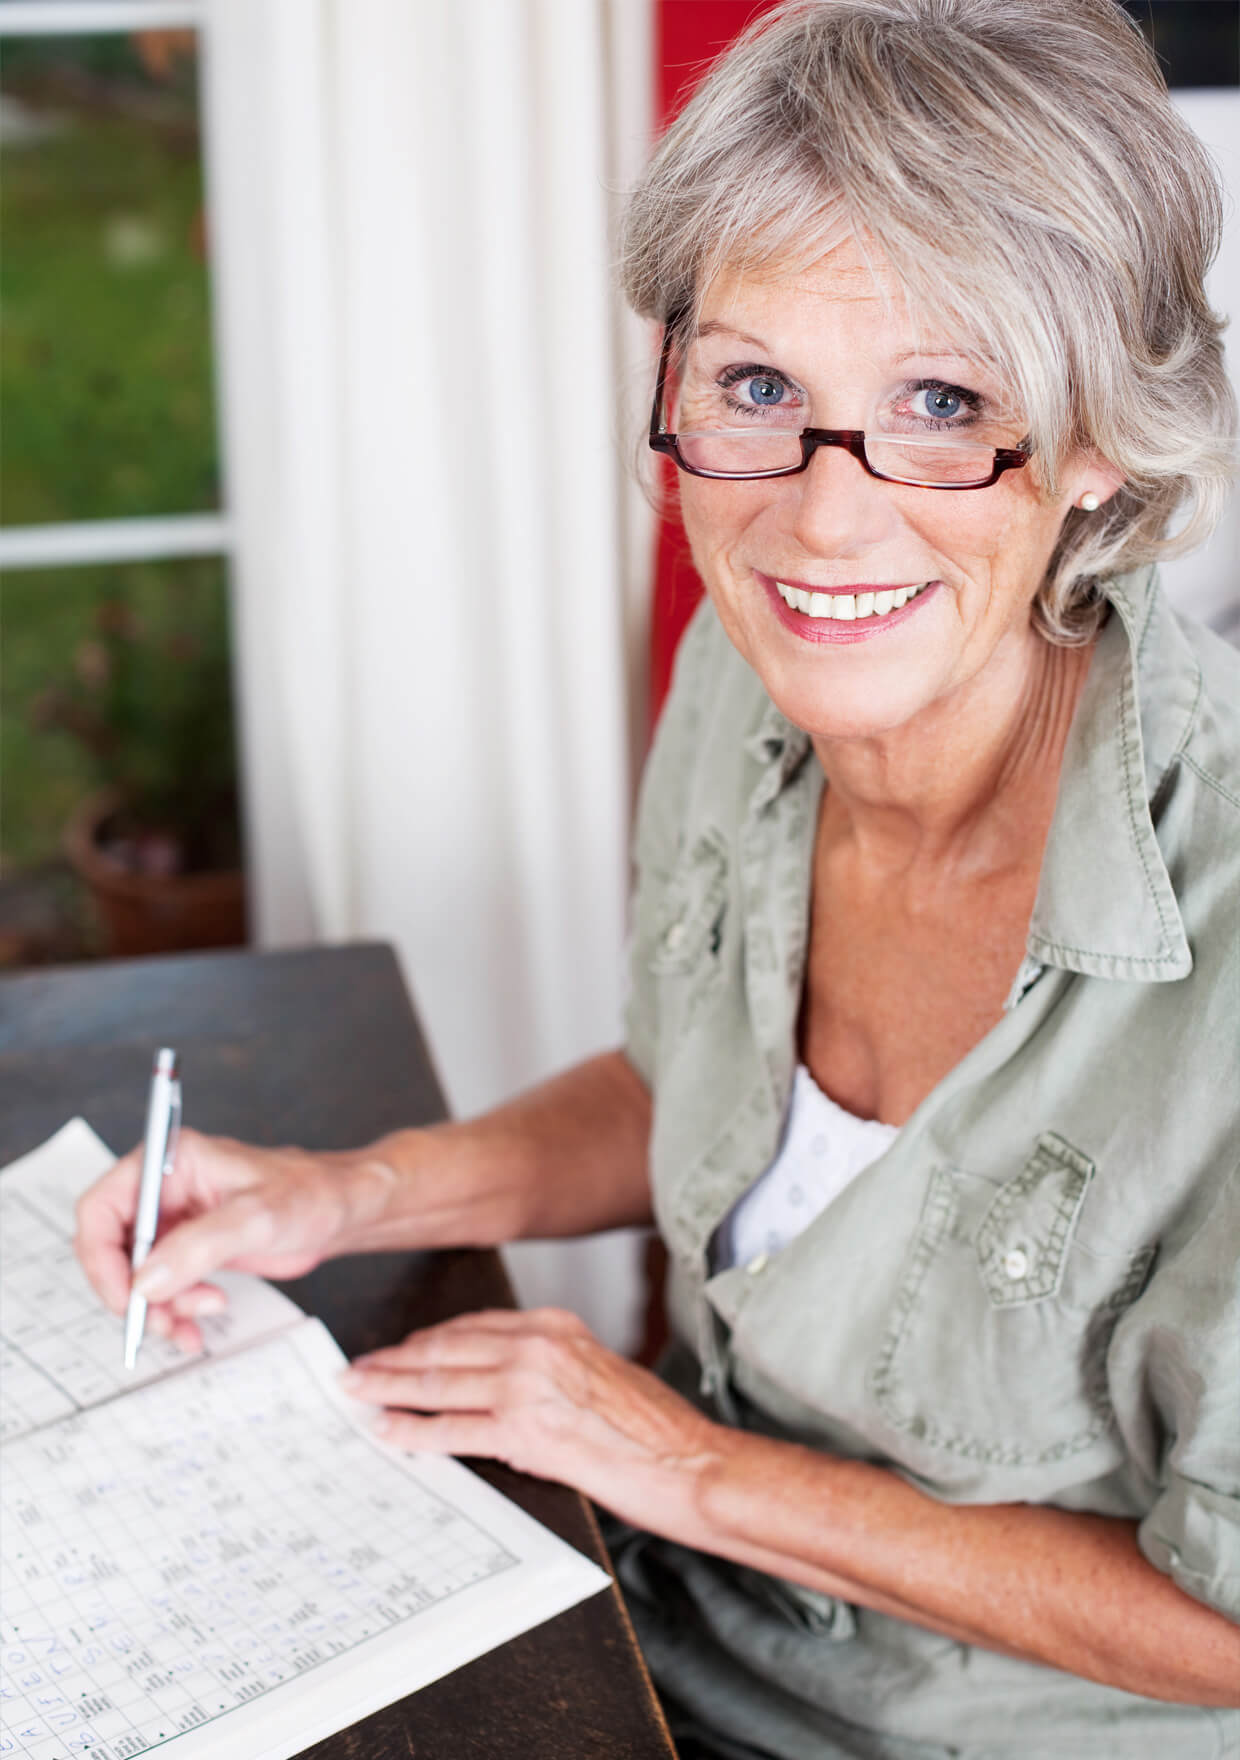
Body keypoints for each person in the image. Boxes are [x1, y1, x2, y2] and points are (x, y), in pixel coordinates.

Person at [75, 1, 1239, 1753]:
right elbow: (683, 1092)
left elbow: (1225, 1620)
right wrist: (347, 1194)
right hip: (667, 1632)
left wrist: (680, 1463)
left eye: (943, 404)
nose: (820, 521)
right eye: (758, 388)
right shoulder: (760, 671)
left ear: (1099, 448)